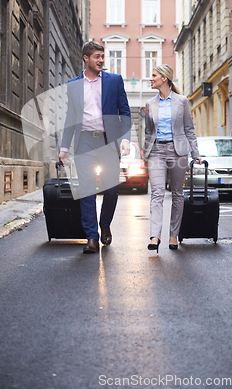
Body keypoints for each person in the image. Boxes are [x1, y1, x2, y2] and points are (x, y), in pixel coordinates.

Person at [59, 41, 131, 254]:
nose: (101, 60)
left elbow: (125, 112)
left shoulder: (114, 81)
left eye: (102, 56)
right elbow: (71, 117)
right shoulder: (73, 85)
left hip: (108, 141)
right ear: (86, 58)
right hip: (84, 141)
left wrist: (125, 139)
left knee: (112, 190)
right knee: (87, 191)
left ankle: (105, 223)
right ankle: (91, 237)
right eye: (97, 56)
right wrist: (64, 146)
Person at [144, 64, 200, 252]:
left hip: (178, 151)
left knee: (177, 193)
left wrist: (196, 154)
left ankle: (173, 235)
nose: (150, 78)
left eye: (154, 75)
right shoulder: (149, 104)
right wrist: (146, 153)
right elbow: (147, 132)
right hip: (157, 151)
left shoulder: (182, 101)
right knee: (157, 193)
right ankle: (154, 236)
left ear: (164, 78)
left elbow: (189, 129)